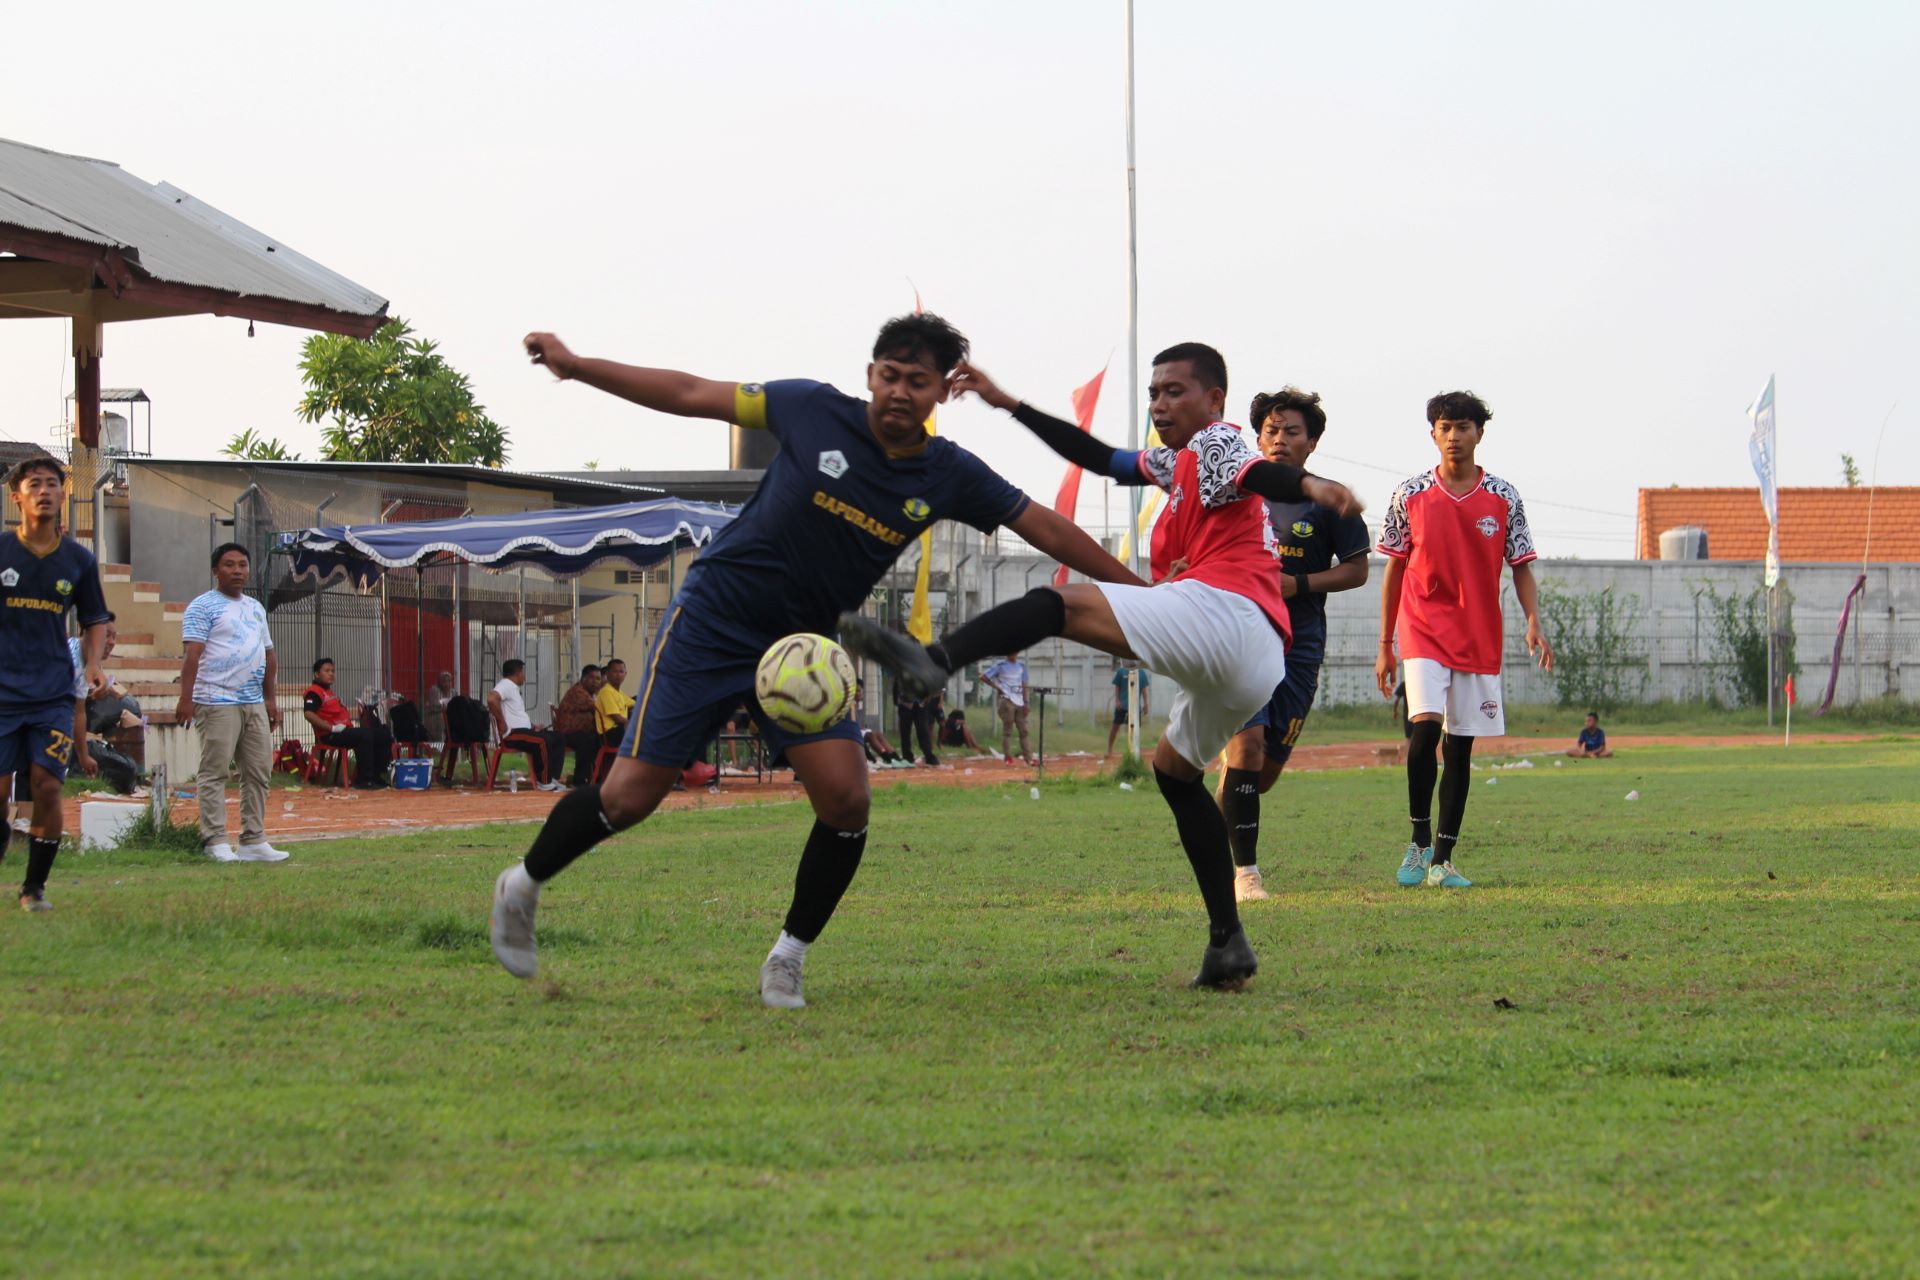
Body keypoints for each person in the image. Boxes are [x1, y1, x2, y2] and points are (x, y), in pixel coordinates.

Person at [495, 313, 1138, 1008]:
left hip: (801, 654)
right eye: (889, 375)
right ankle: (522, 885)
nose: (900, 391)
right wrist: (577, 366)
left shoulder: (949, 472)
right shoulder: (808, 407)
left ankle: (788, 958)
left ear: (940, 392)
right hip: (713, 621)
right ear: (870, 375)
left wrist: (1140, 590)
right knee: (628, 799)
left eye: (917, 381)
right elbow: (689, 391)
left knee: (847, 798)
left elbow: (1044, 525)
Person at [841, 347, 1361, 989]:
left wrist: (1307, 487)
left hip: (1231, 616)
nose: (1160, 404)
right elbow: (1099, 458)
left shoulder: (1218, 441)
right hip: (1248, 656)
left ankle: (932, 662)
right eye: (1154, 393)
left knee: (1058, 603)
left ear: (1215, 400)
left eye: (1175, 391)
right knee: (1175, 773)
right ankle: (1228, 942)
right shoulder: (1175, 462)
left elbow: (1259, 475)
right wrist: (1009, 403)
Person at [1375, 390, 1554, 890]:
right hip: (1422, 628)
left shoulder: (1504, 495)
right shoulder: (1409, 493)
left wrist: (1534, 621)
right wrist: (1385, 644)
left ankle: (1443, 860)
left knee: (1459, 748)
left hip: (1478, 635)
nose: (1453, 436)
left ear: (1479, 433)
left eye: (1463, 427)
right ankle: (1418, 840)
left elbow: (1521, 566)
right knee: (1424, 730)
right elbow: (1394, 568)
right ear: (1433, 434)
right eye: (1445, 427)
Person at [1215, 387, 1372, 902]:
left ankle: (1227, 795)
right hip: (1240, 635)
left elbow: (1357, 570)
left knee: (1261, 775)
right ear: (1258, 438)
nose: (1280, 439)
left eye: (1292, 431)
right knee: (1247, 746)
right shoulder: (1235, 492)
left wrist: (1298, 584)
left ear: (1312, 442)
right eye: (1272, 430)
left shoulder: (1328, 500)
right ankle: (1245, 875)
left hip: (1300, 643)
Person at [0, 455, 111, 909]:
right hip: (2, 693)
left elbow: (95, 619)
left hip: (52, 694)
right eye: (35, 484)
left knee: (47, 785)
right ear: (17, 497)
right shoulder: (2, 551)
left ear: (63, 494)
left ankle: (34, 888)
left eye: (52, 483)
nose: (44, 491)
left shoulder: (78, 560)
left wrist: (93, 663)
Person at [174, 543, 288, 863]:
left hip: (253, 701)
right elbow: (192, 656)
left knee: (259, 770)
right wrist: (185, 699)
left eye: (242, 564)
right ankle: (215, 840)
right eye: (229, 565)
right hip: (216, 700)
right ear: (216, 571)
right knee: (215, 771)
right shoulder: (203, 606)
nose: (237, 570)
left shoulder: (255, 608)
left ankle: (253, 839)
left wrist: (270, 699)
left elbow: (269, 655)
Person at [302, 658, 395, 790]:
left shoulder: (329, 692)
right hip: (330, 735)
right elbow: (308, 714)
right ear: (317, 674)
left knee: (382, 734)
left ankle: (376, 775)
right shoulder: (314, 692)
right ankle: (365, 779)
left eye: (333, 671)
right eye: (327, 671)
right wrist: (332, 728)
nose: (331, 674)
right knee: (365, 735)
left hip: (345, 731)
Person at [486, 659, 565, 792]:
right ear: (518, 673)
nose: (525, 676)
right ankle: (543, 782)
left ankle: (551, 778)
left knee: (558, 737)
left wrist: (533, 726)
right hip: (512, 734)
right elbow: (491, 699)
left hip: (523, 731)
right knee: (543, 740)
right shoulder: (506, 684)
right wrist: (501, 722)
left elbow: (515, 715)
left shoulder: (513, 688)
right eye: (524, 672)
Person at [555, 665, 606, 784]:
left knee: (598, 739)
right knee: (592, 741)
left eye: (598, 679)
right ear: (583, 678)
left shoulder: (590, 693)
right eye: (591, 678)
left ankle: (596, 777)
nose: (595, 682)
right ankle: (580, 779)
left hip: (581, 732)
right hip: (568, 734)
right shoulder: (579, 692)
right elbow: (599, 708)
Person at [979, 651, 1032, 763]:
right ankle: (1008, 757)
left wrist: (1026, 702)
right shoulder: (1000, 665)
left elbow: (1024, 685)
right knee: (1008, 730)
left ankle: (1028, 757)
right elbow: (983, 677)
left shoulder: (1021, 666)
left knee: (1023, 730)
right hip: (1007, 699)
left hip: (1019, 701)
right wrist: (997, 687)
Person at [1105, 661, 1152, 757]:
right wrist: (1117, 700)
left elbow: (1144, 690)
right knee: (1115, 727)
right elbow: (1117, 686)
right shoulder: (1121, 671)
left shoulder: (1141, 673)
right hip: (1122, 706)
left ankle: (1134, 750)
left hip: (1135, 707)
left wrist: (1146, 703)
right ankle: (1109, 750)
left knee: (1135, 729)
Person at [892, 680, 938, 767]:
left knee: (922, 730)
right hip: (905, 703)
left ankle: (928, 755)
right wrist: (897, 701)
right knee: (905, 731)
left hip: (920, 704)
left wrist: (927, 698)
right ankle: (907, 756)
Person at [594, 657, 633, 747]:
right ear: (607, 674)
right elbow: (617, 718)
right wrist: (634, 722)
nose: (618, 675)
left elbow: (635, 704)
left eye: (621, 672)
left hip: (619, 730)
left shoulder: (618, 692)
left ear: (625, 674)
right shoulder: (606, 692)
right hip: (610, 734)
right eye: (615, 672)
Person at [424, 670, 455, 744]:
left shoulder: (453, 692)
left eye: (449, 681)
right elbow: (435, 706)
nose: (447, 684)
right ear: (439, 683)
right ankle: (440, 742)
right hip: (434, 716)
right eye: (444, 681)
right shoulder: (435, 690)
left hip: (447, 715)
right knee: (442, 716)